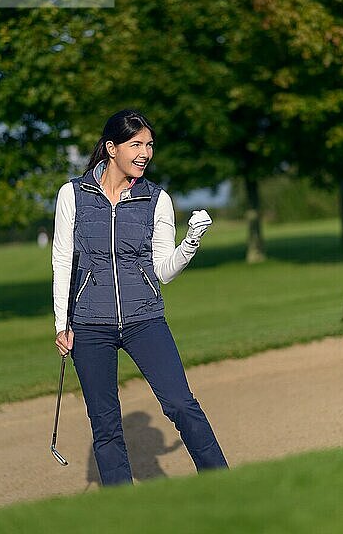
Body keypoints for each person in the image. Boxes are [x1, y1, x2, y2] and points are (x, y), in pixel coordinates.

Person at [52, 108, 229, 486]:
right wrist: (61, 324)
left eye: (149, 145)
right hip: (89, 324)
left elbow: (164, 271)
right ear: (111, 148)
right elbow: (62, 260)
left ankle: (221, 484)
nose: (145, 153)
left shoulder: (156, 200)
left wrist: (191, 242)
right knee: (104, 423)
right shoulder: (73, 194)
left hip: (144, 318)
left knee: (181, 404)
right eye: (136, 145)